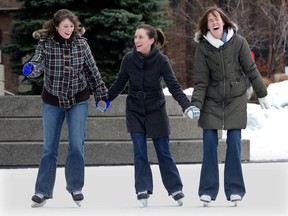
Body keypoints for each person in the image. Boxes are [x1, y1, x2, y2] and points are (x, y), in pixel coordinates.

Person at [22, 9, 110, 208]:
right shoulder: (45, 45)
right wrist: (31, 69)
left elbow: (92, 70)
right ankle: (42, 191)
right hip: (52, 101)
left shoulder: (82, 45)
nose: (69, 29)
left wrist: (101, 94)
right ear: (56, 27)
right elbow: (37, 64)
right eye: (65, 26)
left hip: (78, 99)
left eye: (71, 26)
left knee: (76, 145)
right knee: (49, 148)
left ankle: (75, 187)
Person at [108, 24, 199, 207]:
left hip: (156, 109)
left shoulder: (161, 61)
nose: (136, 40)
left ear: (151, 40)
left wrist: (187, 106)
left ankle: (175, 188)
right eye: (135, 37)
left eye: (141, 37)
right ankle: (143, 188)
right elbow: (120, 83)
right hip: (134, 109)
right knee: (139, 151)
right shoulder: (128, 59)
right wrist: (105, 98)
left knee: (163, 152)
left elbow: (173, 86)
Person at [189, 6, 271, 206]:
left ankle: (234, 189)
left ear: (223, 21)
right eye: (210, 21)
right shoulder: (203, 48)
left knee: (234, 143)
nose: (214, 23)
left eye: (216, 19)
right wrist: (195, 105)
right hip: (211, 100)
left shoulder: (239, 42)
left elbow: (251, 70)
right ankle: (207, 190)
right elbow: (201, 81)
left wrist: (262, 93)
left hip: (235, 98)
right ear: (206, 26)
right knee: (209, 143)